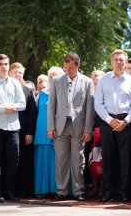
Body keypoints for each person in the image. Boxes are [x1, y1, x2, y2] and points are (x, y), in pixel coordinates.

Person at [95, 50, 131, 202]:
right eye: (116, 59)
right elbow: (98, 103)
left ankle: (123, 193)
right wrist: (109, 120)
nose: (119, 62)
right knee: (108, 158)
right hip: (107, 122)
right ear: (111, 62)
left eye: (122, 60)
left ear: (126, 62)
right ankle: (108, 192)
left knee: (125, 160)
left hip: (126, 123)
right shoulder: (103, 80)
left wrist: (126, 121)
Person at [47, 52, 95, 201]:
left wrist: (88, 129)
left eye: (71, 68)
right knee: (61, 160)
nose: (68, 71)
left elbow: (89, 107)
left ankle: (78, 191)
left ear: (78, 66)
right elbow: (51, 105)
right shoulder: (56, 80)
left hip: (79, 126)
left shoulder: (87, 82)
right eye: (66, 68)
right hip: (60, 125)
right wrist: (50, 127)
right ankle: (61, 191)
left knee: (78, 160)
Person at [0, 54, 26, 203]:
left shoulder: (16, 83)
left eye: (6, 64)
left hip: (13, 127)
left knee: (13, 159)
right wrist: (5, 107)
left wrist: (11, 107)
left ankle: (9, 190)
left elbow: (22, 104)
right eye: (1, 64)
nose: (4, 67)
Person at [34, 67, 64, 198]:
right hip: (41, 133)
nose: (53, 79)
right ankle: (42, 190)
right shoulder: (42, 93)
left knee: (57, 162)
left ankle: (58, 190)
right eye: (50, 76)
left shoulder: (64, 93)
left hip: (58, 132)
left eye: (56, 76)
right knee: (42, 161)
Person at [9, 62, 38, 198]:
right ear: (9, 72)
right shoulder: (4, 88)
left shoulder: (28, 90)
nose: (18, 74)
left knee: (23, 162)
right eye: (15, 72)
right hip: (5, 130)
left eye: (20, 72)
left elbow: (33, 114)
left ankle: (21, 191)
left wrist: (30, 132)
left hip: (23, 132)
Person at [85, 70, 105, 198]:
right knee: (91, 160)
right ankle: (94, 187)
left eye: (97, 75)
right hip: (89, 131)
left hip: (103, 130)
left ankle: (103, 188)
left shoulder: (105, 91)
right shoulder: (88, 92)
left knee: (103, 160)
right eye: (92, 75)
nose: (94, 77)